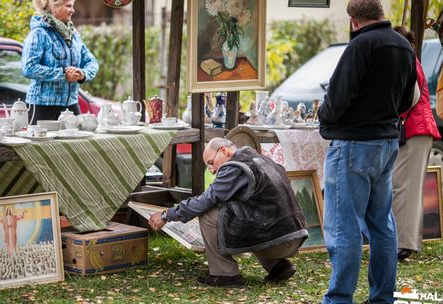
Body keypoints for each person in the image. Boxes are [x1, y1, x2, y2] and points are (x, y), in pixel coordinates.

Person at [317, 0, 417, 302]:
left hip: (354, 143)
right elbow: (408, 97)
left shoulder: (360, 46)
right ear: (380, 14)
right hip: (386, 141)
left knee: (344, 225)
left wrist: (325, 118)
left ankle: (339, 298)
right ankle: (383, 296)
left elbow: (338, 95)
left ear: (353, 21)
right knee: (381, 223)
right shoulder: (403, 45)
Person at [148, 138, 308, 288]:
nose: (211, 170)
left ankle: (225, 275)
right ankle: (278, 266)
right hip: (295, 235)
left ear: (224, 151)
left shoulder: (235, 167)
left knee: (208, 213)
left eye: (211, 163)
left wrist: (166, 215)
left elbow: (205, 201)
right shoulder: (261, 160)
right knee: (249, 214)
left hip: (278, 241)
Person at [392, 26, 442, 261]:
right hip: (416, 129)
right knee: (404, 186)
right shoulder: (411, 59)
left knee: (404, 187)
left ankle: (405, 244)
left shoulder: (408, 60)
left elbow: (408, 99)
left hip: (416, 128)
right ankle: (405, 241)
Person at [22, 0, 98, 124]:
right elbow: (29, 68)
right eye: (68, 6)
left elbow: (92, 62)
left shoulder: (74, 34)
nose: (73, 10)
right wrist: (63, 74)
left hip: (72, 106)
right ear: (53, 7)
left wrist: (82, 74)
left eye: (73, 6)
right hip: (42, 107)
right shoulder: (39, 33)